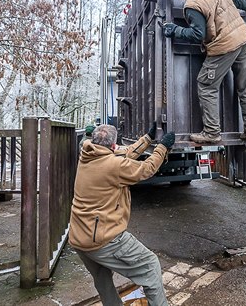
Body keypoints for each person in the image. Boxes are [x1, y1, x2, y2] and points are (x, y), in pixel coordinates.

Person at [69, 123, 175, 306]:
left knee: (102, 279)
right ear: (112, 145)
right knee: (150, 265)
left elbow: (126, 153)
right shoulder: (113, 165)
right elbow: (146, 169)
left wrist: (147, 138)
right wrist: (162, 147)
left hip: (79, 236)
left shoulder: (87, 155)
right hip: (103, 239)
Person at [164, 0, 246, 144]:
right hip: (243, 38)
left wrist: (174, 30)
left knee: (206, 85)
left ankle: (212, 133)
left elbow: (197, 35)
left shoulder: (192, 5)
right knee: (244, 87)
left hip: (224, 45)